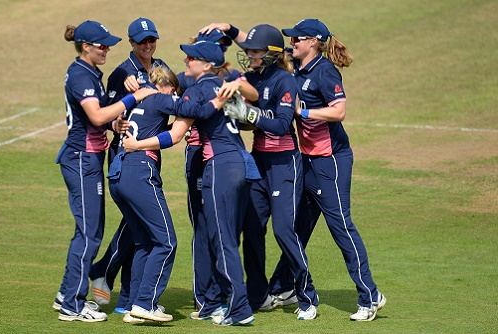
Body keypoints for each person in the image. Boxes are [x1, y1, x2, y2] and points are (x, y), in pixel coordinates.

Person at [124, 41, 259, 326]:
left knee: (221, 240)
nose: (185, 60)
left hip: (220, 164)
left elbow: (177, 129)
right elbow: (249, 119)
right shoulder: (219, 84)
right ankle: (212, 302)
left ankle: (240, 309)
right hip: (239, 161)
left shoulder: (199, 89)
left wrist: (146, 99)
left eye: (192, 57)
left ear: (206, 64)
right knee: (215, 235)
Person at [199, 22, 318, 320]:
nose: (249, 54)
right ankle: (257, 296)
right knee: (252, 230)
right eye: (248, 49)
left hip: (284, 163)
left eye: (255, 51)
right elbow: (245, 117)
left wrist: (249, 113)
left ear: (271, 53)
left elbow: (279, 125)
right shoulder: (252, 78)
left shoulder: (284, 81)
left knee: (283, 230)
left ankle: (306, 296)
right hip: (258, 162)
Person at [276, 18, 386, 321]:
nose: (293, 42)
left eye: (297, 38)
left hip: (331, 161)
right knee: (295, 227)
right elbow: (266, 47)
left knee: (341, 228)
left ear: (313, 41)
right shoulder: (297, 67)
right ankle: (283, 287)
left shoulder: (324, 72)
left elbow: (339, 111)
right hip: (308, 160)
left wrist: (304, 111)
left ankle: (370, 296)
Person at [106, 66, 230, 324]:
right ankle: (145, 303)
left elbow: (160, 126)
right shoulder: (161, 98)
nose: (177, 94)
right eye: (175, 89)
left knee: (145, 242)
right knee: (167, 241)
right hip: (140, 171)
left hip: (119, 173)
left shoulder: (141, 102)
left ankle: (133, 304)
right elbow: (196, 112)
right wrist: (217, 100)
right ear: (169, 87)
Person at [53, 20, 155, 322]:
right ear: (86, 47)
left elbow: (99, 118)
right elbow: (96, 114)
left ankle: (65, 293)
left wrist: (115, 123)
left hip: (90, 158)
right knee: (90, 235)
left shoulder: (90, 72)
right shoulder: (81, 75)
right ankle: (72, 304)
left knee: (87, 231)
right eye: (101, 45)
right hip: (82, 159)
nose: (107, 48)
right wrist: (133, 98)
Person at [88, 17, 171, 313]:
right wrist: (116, 122)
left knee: (140, 228)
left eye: (152, 40)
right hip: (127, 156)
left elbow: (173, 95)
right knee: (143, 226)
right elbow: (108, 116)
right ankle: (106, 272)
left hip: (150, 157)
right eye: (142, 41)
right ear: (132, 43)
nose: (148, 46)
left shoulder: (161, 67)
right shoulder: (121, 73)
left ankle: (127, 297)